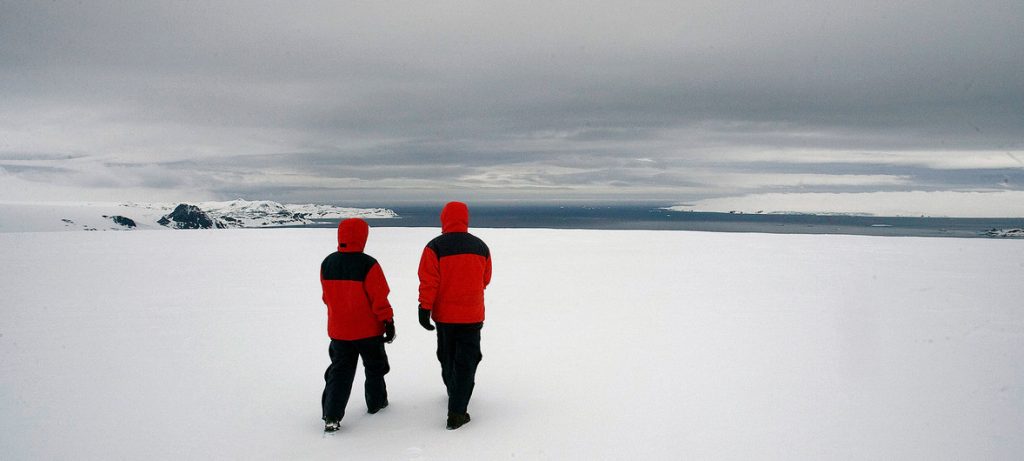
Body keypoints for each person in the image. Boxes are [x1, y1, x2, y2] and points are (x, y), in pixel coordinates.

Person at [417, 201, 492, 430]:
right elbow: (485, 279)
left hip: (445, 316)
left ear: (444, 219)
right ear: (465, 219)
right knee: (467, 361)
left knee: (447, 356)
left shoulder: (434, 247)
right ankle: (457, 409)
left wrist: (424, 308)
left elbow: (429, 281)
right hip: (472, 315)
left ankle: (454, 395)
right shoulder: (480, 246)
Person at [320, 218, 396, 433]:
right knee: (375, 368)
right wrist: (388, 322)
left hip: (340, 331)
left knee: (339, 372)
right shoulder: (368, 264)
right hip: (369, 331)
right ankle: (376, 403)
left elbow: (327, 297)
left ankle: (331, 415)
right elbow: (379, 298)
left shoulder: (327, 263)